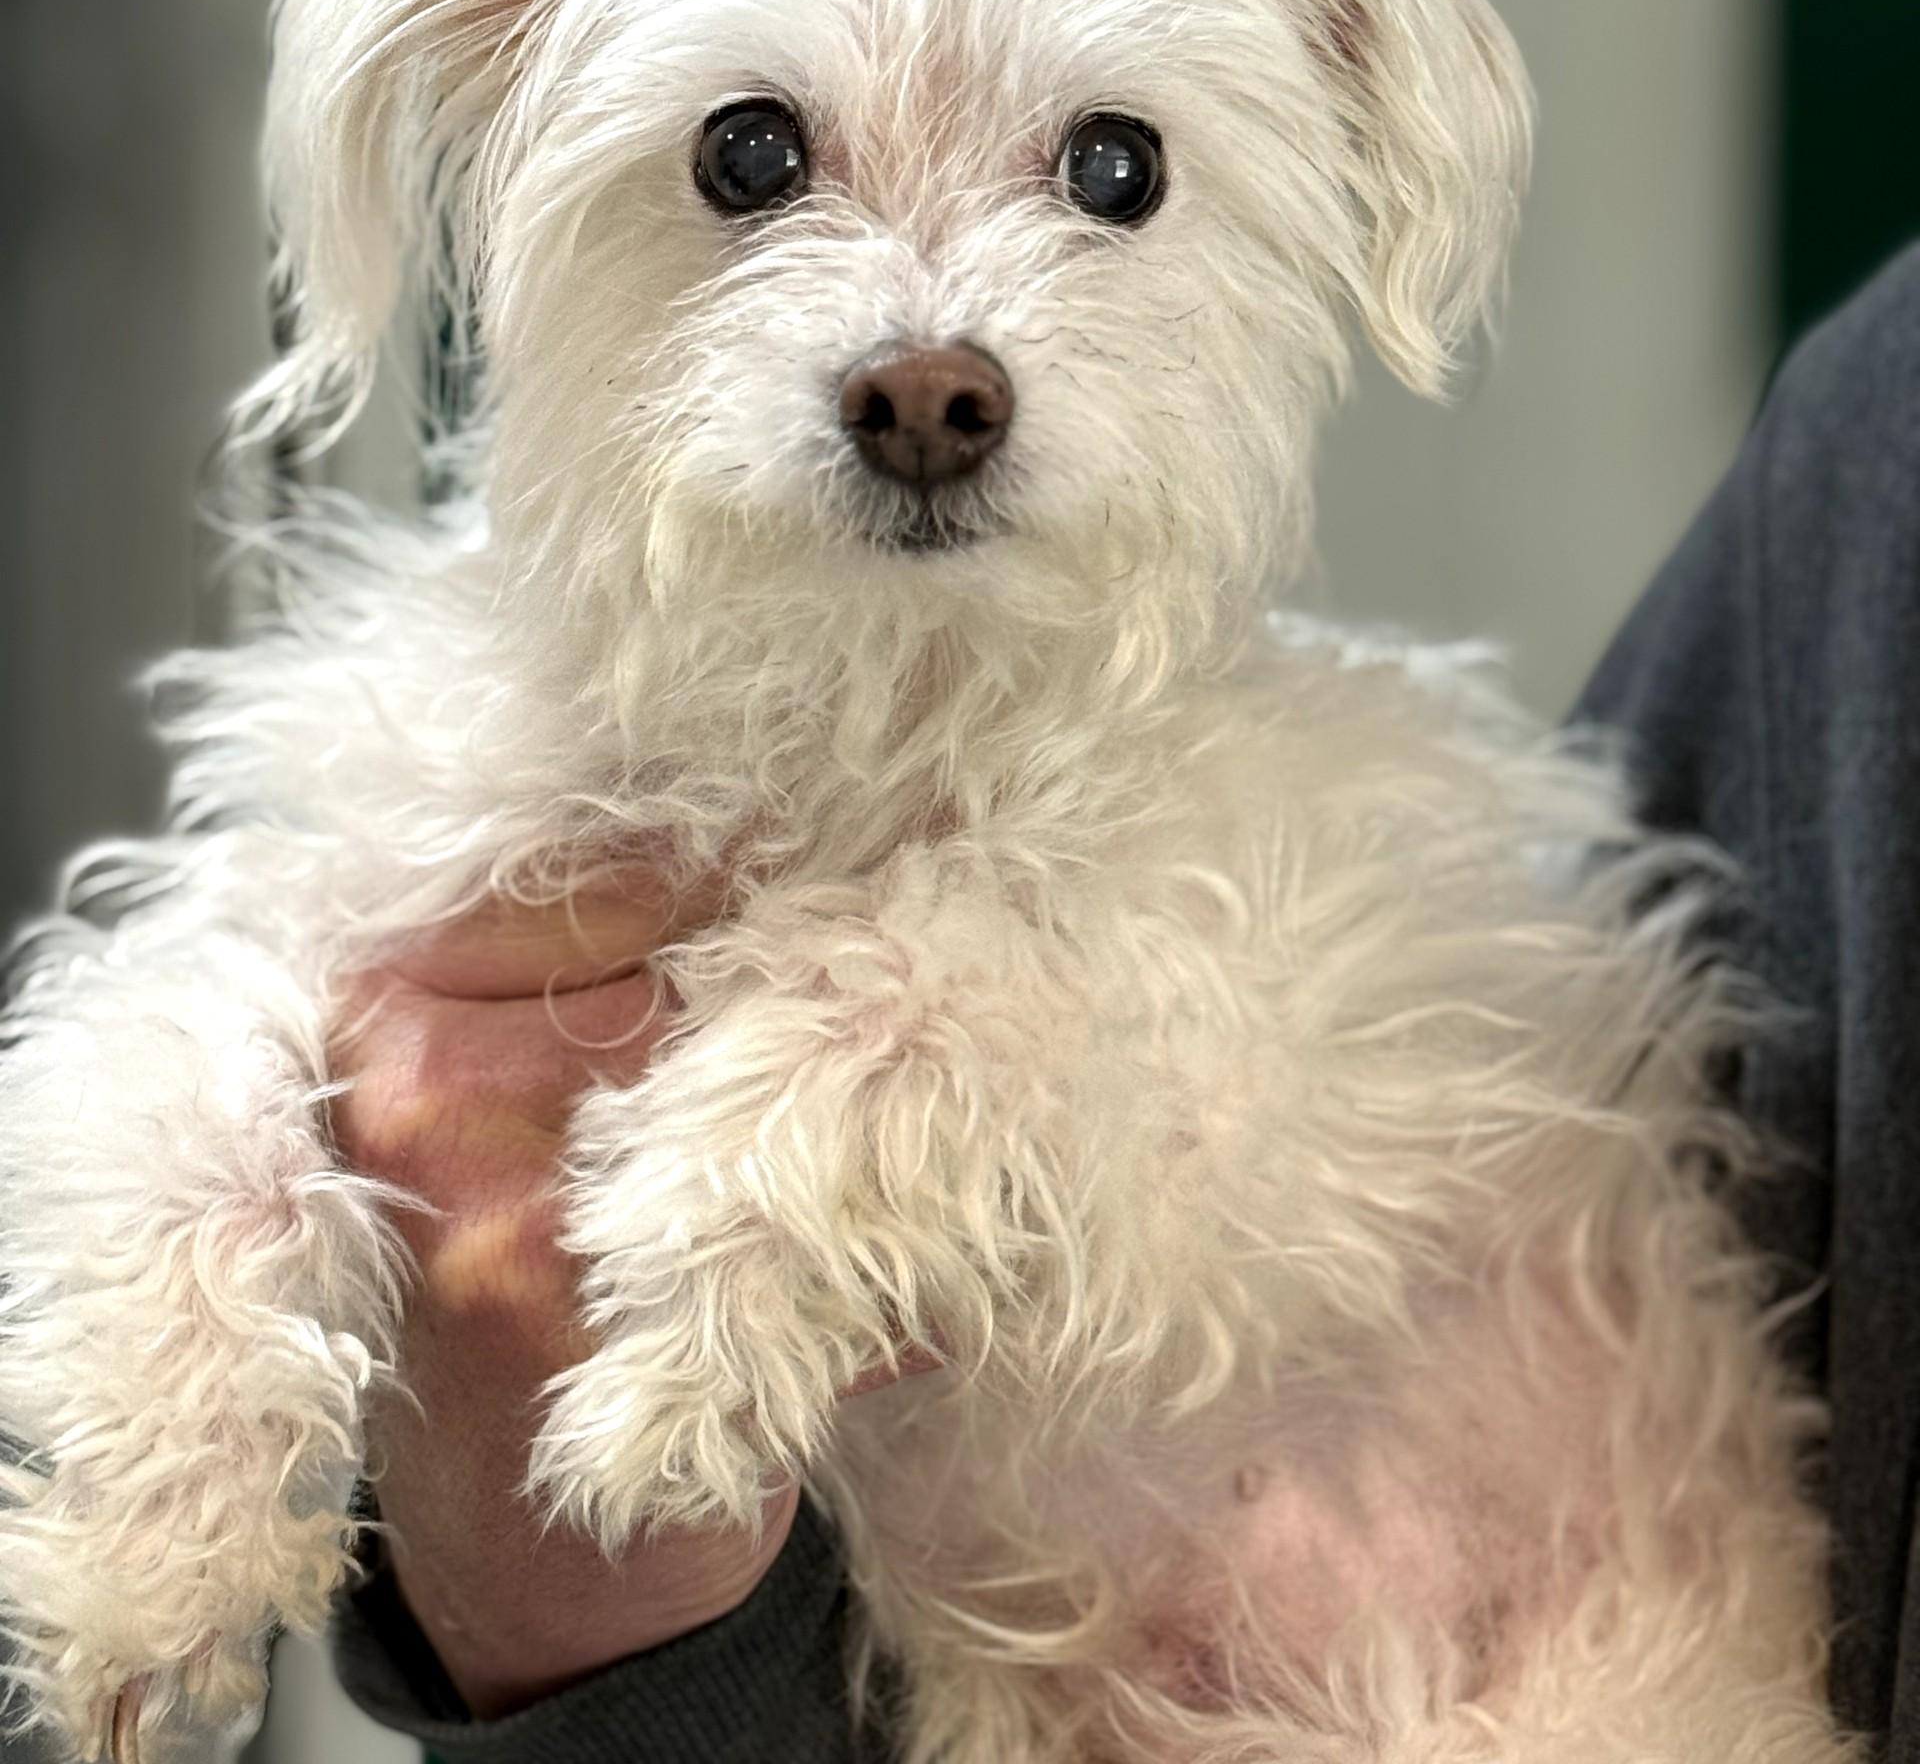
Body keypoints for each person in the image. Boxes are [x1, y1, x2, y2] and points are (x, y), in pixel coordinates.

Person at [332, 242, 1920, 1761]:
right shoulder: (1872, 466)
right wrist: (601, 1642)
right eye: (756, 162)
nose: (932, 363)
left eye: (1106, 171)